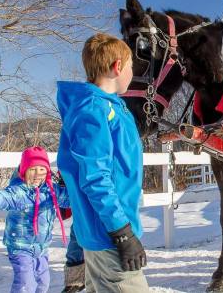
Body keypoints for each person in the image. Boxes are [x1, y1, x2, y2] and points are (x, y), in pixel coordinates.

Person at [56, 32, 149, 292]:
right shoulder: (93, 110)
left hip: (104, 231)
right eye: (131, 67)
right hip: (109, 235)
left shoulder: (109, 107)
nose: (132, 73)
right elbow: (96, 177)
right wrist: (122, 232)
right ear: (117, 67)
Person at [0, 146, 69, 293]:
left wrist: (84, 188)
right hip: (20, 247)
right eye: (32, 169)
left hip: (42, 248)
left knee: (43, 283)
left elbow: (70, 199)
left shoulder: (51, 191)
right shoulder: (18, 192)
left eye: (42, 169)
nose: (37, 174)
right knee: (26, 285)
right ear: (24, 170)